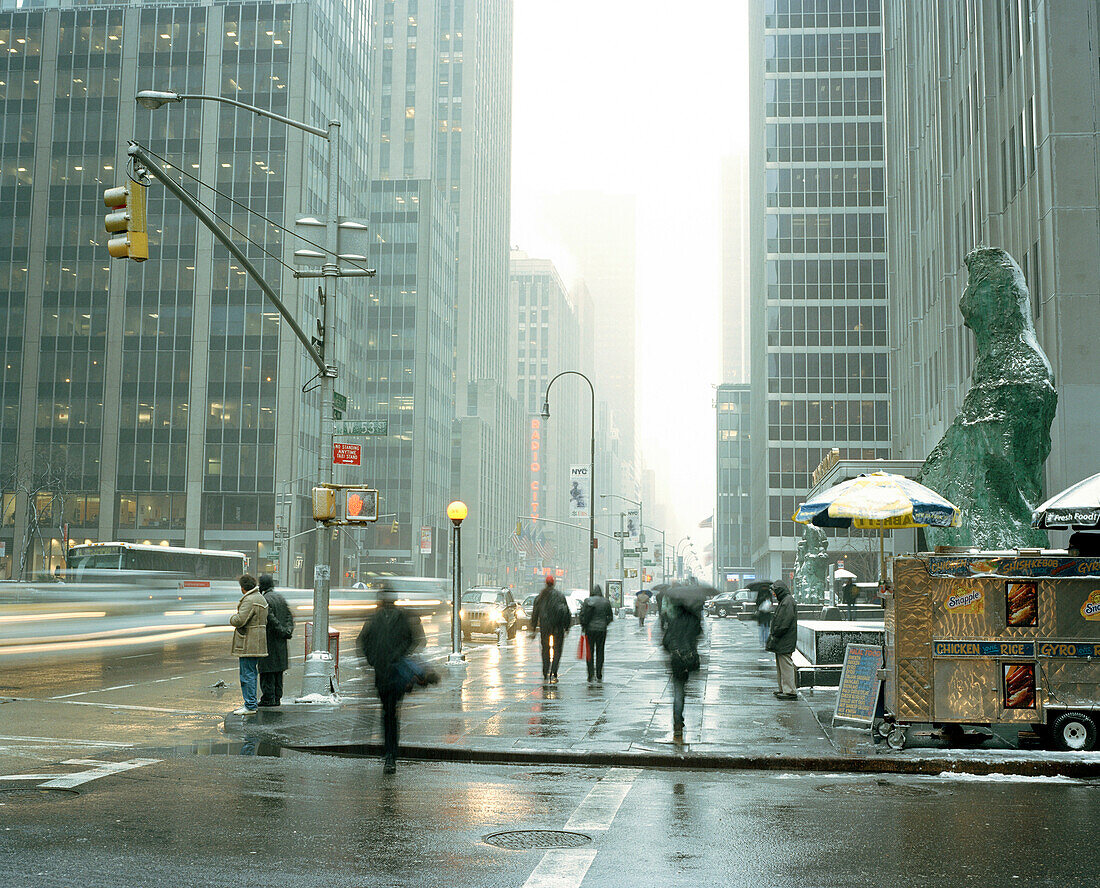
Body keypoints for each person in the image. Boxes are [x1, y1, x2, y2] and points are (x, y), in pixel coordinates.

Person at [357, 583, 428, 774]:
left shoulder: (402, 618)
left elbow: (414, 639)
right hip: (381, 672)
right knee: (387, 712)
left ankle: (390, 754)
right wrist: (373, 660)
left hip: (396, 674)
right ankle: (389, 752)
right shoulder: (374, 619)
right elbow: (364, 640)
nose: (387, 603)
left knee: (390, 712)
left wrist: (398, 655)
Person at [662, 595, 702, 741]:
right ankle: (680, 719)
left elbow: (665, 642)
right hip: (689, 658)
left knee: (678, 691)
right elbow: (699, 635)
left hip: (677, 659)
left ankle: (677, 723)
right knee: (682, 690)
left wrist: (673, 648)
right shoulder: (694, 620)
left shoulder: (674, 620)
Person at [229, 573, 268, 715]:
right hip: (257, 640)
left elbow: (240, 620)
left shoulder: (249, 600)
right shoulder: (260, 598)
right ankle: (251, 703)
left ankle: (250, 705)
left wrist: (232, 618)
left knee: (247, 674)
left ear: (243, 588)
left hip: (248, 642)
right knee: (251, 672)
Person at [257, 574, 294, 707]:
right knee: (278, 671)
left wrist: (281, 630)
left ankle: (268, 698)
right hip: (281, 642)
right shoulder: (280, 597)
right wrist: (287, 631)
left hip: (269, 641)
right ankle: (277, 697)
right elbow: (289, 616)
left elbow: (270, 618)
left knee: (267, 671)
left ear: (262, 585)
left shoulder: (264, 599)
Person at [529, 574, 570, 683]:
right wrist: (566, 626)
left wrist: (533, 628)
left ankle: (545, 671)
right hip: (558, 627)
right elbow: (566, 611)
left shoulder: (540, 597)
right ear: (554, 583)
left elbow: (535, 614)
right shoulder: (560, 596)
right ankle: (554, 672)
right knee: (557, 650)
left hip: (545, 627)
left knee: (545, 650)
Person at [766, 580, 798, 700]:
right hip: (783, 638)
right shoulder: (785, 600)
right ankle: (784, 689)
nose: (773, 594)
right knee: (781, 664)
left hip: (784, 638)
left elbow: (784, 622)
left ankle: (789, 690)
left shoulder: (787, 602)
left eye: (774, 591)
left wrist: (776, 632)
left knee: (785, 664)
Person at [578, 584, 614, 682]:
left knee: (590, 652)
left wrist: (584, 626)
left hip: (590, 630)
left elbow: (582, 615)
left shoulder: (587, 601)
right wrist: (604, 623)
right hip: (601, 630)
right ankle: (599, 673)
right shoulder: (606, 602)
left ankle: (590, 674)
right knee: (600, 651)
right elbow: (610, 616)